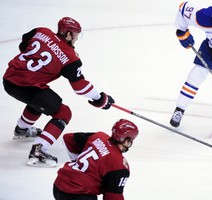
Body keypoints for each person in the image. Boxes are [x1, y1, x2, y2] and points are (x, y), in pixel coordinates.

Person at [2, 17, 115, 167]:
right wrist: (100, 98)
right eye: (75, 35)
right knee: (63, 112)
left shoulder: (41, 31)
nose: (75, 39)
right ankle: (38, 151)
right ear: (68, 34)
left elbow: (24, 44)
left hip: (9, 78)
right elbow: (80, 86)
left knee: (43, 99)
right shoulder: (70, 57)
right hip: (27, 86)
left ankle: (22, 129)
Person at [53, 119, 139, 200]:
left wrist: (78, 162)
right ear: (126, 140)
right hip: (79, 194)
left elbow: (68, 139)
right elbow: (113, 196)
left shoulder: (99, 136)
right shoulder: (119, 165)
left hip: (59, 184)